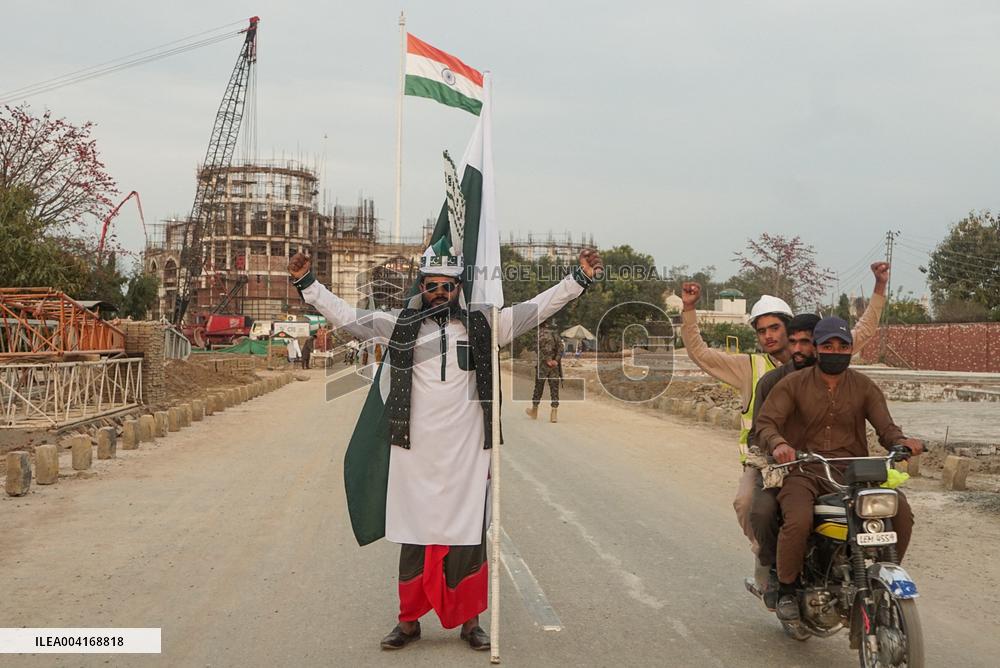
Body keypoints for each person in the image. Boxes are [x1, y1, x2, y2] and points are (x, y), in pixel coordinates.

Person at [288, 241, 603, 651]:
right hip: (412, 450)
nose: (441, 293)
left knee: (467, 534)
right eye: (433, 285)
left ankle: (470, 623)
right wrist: (306, 282)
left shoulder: (486, 325)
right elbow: (348, 317)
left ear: (459, 288)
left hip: (468, 451)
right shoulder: (398, 324)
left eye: (449, 286)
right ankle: (408, 622)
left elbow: (538, 308)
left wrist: (577, 279)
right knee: (414, 533)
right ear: (421, 285)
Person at [680, 262, 889, 585]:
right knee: (748, 503)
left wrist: (878, 289)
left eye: (774, 328)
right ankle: (769, 562)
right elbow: (701, 354)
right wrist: (689, 311)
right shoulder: (749, 367)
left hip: (821, 459)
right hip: (767, 462)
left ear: (791, 330)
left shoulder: (823, 359)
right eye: (761, 331)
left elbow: (862, 331)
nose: (768, 336)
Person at [755, 316, 923, 620]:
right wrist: (779, 443)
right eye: (828, 345)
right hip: (805, 471)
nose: (835, 351)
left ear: (851, 349)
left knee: (900, 513)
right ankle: (788, 588)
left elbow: (886, 428)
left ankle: (880, 575)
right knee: (798, 520)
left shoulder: (864, 386)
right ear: (817, 349)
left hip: (855, 473)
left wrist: (901, 442)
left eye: (842, 346)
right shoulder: (792, 384)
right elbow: (766, 423)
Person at [526, 318, 563, 423]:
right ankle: (554, 415)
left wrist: (547, 360)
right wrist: (555, 360)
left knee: (538, 388)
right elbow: (561, 347)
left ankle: (534, 411)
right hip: (554, 367)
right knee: (554, 389)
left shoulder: (537, 335)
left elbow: (537, 349)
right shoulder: (554, 334)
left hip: (543, 366)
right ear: (547, 324)